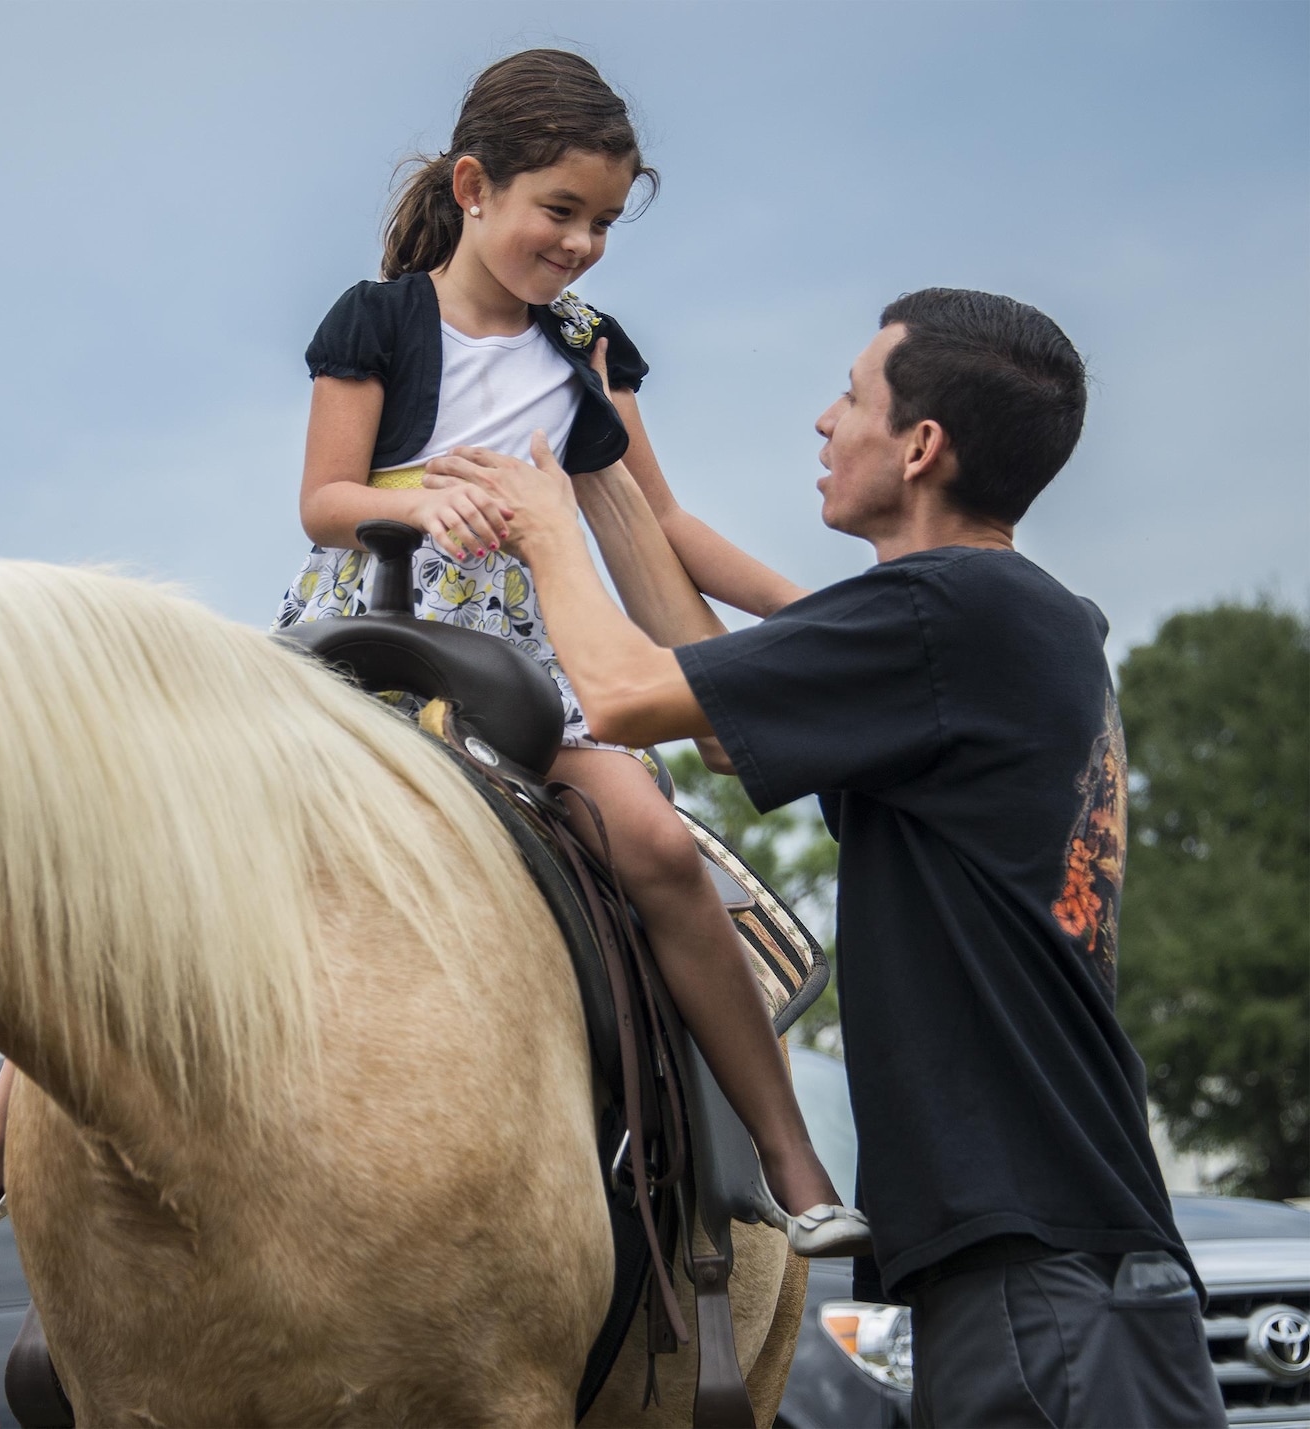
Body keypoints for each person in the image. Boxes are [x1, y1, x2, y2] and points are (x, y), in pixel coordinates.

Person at [429, 288, 1227, 1426]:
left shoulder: (952, 612)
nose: (821, 420)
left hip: (1036, 1269)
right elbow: (705, 708)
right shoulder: (993, 621)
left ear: (918, 446)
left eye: (850, 395)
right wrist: (599, 433)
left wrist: (540, 521)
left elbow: (615, 693)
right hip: (1056, 1258)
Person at [273, 47, 857, 1245]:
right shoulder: (379, 320)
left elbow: (665, 525)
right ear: (474, 185)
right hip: (368, 642)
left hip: (524, 673)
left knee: (650, 835)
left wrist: (815, 618)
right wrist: (420, 503)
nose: (581, 243)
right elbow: (323, 498)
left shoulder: (584, 345)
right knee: (178, 814)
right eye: (560, 212)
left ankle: (788, 1166)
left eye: (600, 221)